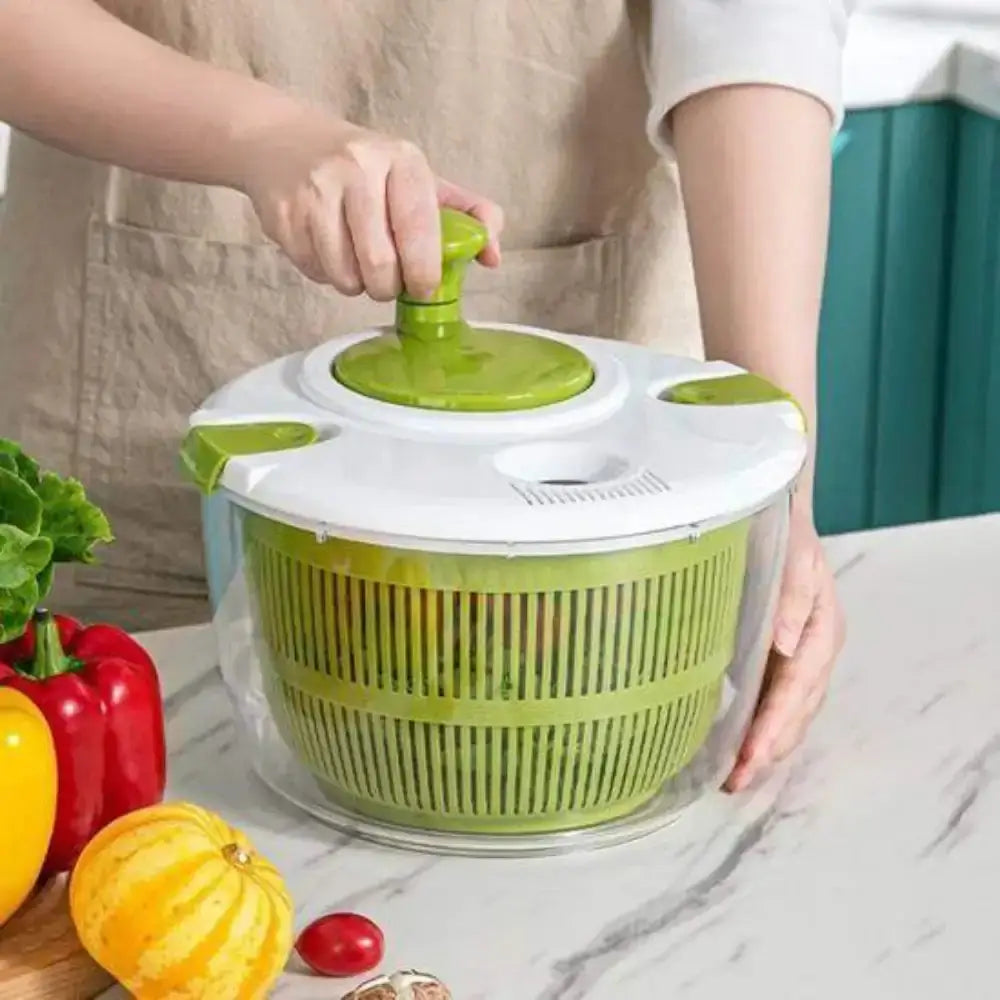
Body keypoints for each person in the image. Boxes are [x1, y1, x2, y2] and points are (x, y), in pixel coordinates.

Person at [0, 0, 848, 791]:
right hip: (146, 380)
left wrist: (774, 480)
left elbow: (758, 28)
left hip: (605, 482)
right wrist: (259, 133)